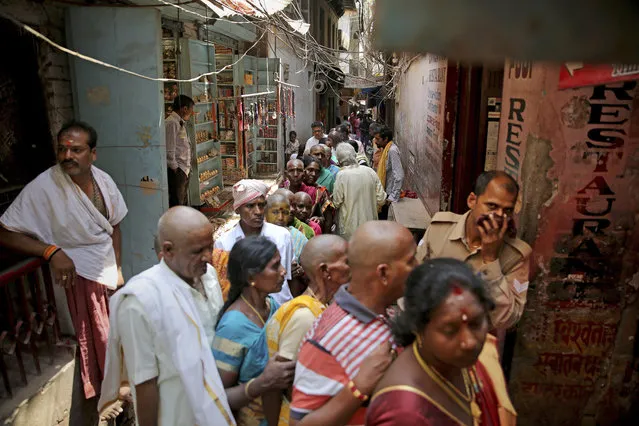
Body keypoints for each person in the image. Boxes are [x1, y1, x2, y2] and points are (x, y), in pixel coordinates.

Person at [0, 120, 128, 426]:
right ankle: (106, 403)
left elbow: (115, 227)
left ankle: (123, 400)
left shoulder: (103, 180)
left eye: (76, 149)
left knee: (118, 337)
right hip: (77, 276)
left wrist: (119, 268)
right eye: (62, 149)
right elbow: (4, 232)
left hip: (106, 271)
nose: (68, 155)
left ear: (92, 154)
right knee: (96, 338)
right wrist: (50, 251)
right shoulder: (45, 186)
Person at [99, 207, 235, 426]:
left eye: (210, 247)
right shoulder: (139, 301)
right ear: (168, 250)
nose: (209, 257)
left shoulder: (208, 275)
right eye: (198, 251)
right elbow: (145, 383)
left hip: (214, 402)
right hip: (176, 413)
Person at [289, 221, 418, 425]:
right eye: (411, 261)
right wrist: (359, 387)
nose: (418, 267)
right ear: (383, 273)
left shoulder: (386, 314)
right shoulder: (331, 337)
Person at [366, 259, 516, 426]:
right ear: (418, 326)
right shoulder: (404, 412)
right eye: (450, 330)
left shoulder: (468, 360)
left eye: (475, 324)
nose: (470, 342)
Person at [415, 171, 532, 331]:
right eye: (492, 206)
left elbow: (505, 320)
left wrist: (491, 259)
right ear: (472, 200)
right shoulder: (440, 229)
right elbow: (412, 282)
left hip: (471, 344)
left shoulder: (517, 255)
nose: (499, 216)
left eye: (507, 211)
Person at [263, 235, 351, 426]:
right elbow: (276, 385)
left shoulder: (320, 307)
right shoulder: (305, 317)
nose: (353, 267)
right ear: (325, 271)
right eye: (347, 261)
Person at [213, 236, 297, 426]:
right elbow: (217, 398)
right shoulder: (233, 326)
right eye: (275, 266)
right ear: (251, 278)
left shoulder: (272, 307)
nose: (283, 271)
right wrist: (263, 383)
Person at [215, 180, 295, 304]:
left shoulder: (282, 236)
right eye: (250, 206)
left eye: (261, 205)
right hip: (247, 312)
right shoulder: (224, 243)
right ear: (237, 209)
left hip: (282, 308)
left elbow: (288, 279)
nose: (258, 212)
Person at [333, 144, 386, 240]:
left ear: (339, 160)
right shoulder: (370, 171)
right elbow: (381, 199)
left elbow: (336, 203)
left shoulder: (341, 175)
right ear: (355, 155)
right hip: (370, 225)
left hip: (349, 229)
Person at [166, 95, 195, 206]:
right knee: (177, 202)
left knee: (182, 200)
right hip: (178, 169)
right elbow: (170, 147)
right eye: (191, 110)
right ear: (184, 109)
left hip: (184, 168)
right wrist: (175, 168)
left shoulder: (179, 122)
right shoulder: (172, 122)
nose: (192, 113)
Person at [374, 126, 404, 220]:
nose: (375, 141)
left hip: (388, 194)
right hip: (384, 192)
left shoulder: (392, 150)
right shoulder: (385, 150)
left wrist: (392, 197)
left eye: (378, 139)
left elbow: (399, 175)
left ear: (385, 139)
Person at [302, 156, 334, 234]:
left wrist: (319, 219)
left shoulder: (321, 191)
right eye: (310, 170)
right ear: (303, 170)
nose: (314, 174)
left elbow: (328, 220)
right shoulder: (292, 187)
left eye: (317, 172)